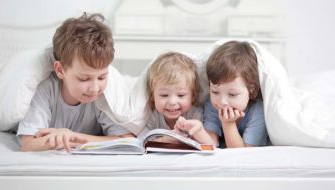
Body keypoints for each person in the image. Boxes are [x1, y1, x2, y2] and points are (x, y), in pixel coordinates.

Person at [17, 13, 133, 152]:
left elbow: (128, 141)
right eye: (84, 78)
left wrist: (73, 137)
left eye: (102, 77)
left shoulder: (103, 95)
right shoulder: (46, 90)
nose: (95, 89)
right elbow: (28, 144)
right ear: (60, 70)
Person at [204, 41, 269, 148]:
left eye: (232, 94)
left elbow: (242, 154)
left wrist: (228, 124)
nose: (222, 102)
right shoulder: (212, 105)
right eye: (215, 92)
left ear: (252, 90)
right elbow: (210, 143)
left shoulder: (258, 111)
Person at [139, 52, 214, 145]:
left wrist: (199, 133)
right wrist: (165, 140)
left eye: (181, 95)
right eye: (164, 95)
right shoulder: (152, 116)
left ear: (193, 96)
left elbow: (212, 145)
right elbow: (141, 142)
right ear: (152, 96)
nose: (172, 102)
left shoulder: (196, 115)